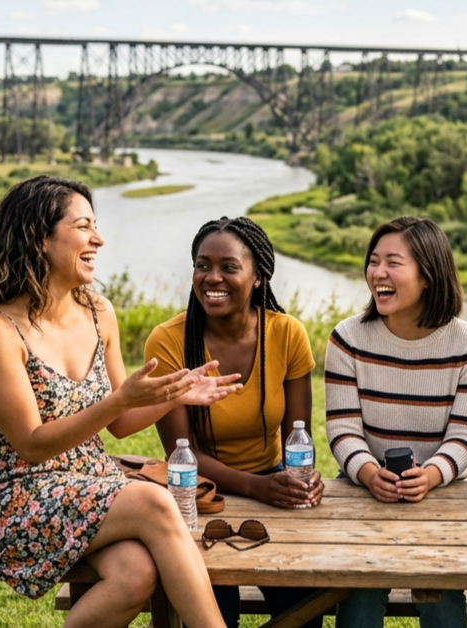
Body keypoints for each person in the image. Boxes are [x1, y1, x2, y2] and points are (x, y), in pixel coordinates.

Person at [0, 176, 239, 628]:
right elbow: (31, 444)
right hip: (16, 497)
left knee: (135, 573)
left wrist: (175, 393)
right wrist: (116, 401)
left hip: (89, 484)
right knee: (155, 503)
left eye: (96, 226)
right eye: (84, 226)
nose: (98, 239)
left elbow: (122, 422)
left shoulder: (98, 311)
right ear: (41, 239)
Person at [144, 216, 324, 628]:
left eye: (229, 267)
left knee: (301, 603)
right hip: (200, 496)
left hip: (273, 482)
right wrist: (254, 486)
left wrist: (303, 478)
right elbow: (180, 455)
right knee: (213, 602)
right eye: (202, 265)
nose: (213, 278)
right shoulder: (169, 341)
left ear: (258, 276)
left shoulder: (288, 334)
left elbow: (299, 438)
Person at [325, 216, 467, 628]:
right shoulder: (347, 339)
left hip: (442, 494)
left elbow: (466, 436)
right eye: (373, 261)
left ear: (429, 275)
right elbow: (342, 429)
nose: (378, 273)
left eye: (393, 263)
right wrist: (367, 473)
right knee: (360, 595)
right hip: (363, 491)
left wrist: (431, 476)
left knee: (442, 598)